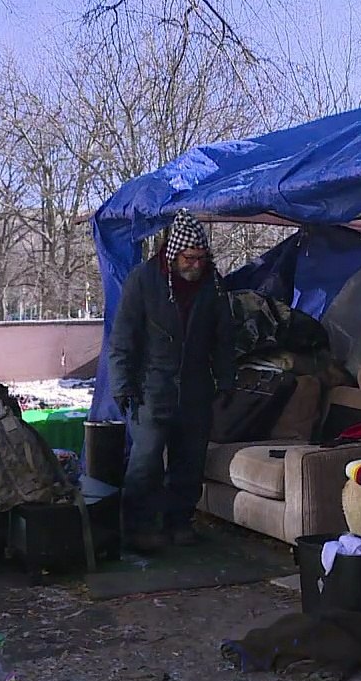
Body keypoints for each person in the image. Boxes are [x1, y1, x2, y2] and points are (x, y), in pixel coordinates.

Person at [109, 209, 235, 553]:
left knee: (189, 461)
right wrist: (122, 385)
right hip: (152, 386)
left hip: (195, 387)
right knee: (145, 461)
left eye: (200, 258)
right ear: (172, 252)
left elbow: (223, 337)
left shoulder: (213, 284)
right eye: (189, 258)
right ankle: (137, 528)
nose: (194, 265)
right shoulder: (143, 281)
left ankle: (179, 522)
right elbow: (122, 338)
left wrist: (226, 380)